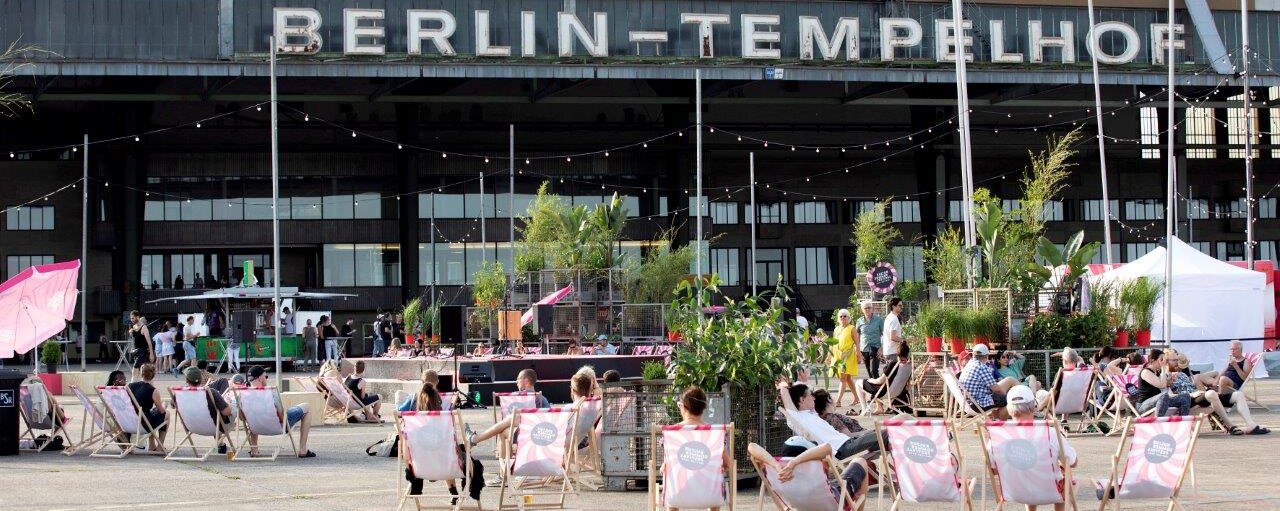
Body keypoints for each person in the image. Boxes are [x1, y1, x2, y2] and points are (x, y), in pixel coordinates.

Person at [655, 386, 735, 511]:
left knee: (670, 476)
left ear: (683, 407)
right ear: (703, 408)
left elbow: (668, 462)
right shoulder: (714, 434)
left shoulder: (672, 433)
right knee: (715, 478)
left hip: (678, 495)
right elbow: (728, 464)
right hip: (710, 496)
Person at [468, 369, 595, 447]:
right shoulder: (591, 408)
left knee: (507, 426)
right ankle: (476, 439)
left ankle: (503, 474)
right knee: (512, 421)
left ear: (573, 390)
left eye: (518, 379)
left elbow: (552, 423)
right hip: (562, 439)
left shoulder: (571, 408)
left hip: (548, 439)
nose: (516, 381)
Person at [1005, 384, 1076, 511]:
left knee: (1025, 469)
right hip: (1050, 491)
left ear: (1009, 410)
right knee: (1066, 471)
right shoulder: (1050, 433)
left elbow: (993, 469)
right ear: (1033, 407)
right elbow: (1072, 462)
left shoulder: (999, 435)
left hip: (1014, 492)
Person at [776, 380, 887, 460]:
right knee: (888, 433)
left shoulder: (811, 413)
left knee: (889, 437)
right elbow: (784, 392)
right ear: (802, 400)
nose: (814, 398)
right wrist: (783, 384)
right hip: (843, 449)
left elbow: (801, 385)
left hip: (849, 443)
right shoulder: (798, 417)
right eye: (810, 395)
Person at [747, 441, 872, 511]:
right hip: (832, 501)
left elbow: (751, 446)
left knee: (836, 482)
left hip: (796, 504)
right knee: (860, 461)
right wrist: (795, 462)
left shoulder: (775, 470)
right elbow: (827, 447)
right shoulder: (815, 466)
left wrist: (776, 465)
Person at [244, 365, 316, 458]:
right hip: (277, 426)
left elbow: (243, 417)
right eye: (266, 376)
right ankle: (303, 449)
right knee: (307, 407)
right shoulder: (271, 392)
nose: (266, 379)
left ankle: (254, 449)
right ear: (260, 378)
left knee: (254, 416)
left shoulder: (244, 394)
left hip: (255, 426)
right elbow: (282, 417)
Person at [183, 367, 234, 454]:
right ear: (201, 379)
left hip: (191, 426)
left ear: (186, 380)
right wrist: (228, 402)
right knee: (227, 409)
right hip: (213, 426)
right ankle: (221, 444)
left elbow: (172, 405)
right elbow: (227, 412)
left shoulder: (180, 393)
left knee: (213, 412)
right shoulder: (211, 392)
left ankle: (221, 444)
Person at [959, 344, 1017, 420]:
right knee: (1010, 399)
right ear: (987, 356)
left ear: (973, 354)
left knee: (1009, 380)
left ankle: (996, 418)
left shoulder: (970, 364)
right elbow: (997, 390)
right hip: (979, 403)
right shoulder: (981, 367)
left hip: (969, 402)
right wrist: (1008, 394)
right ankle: (1000, 421)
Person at [854, 343, 912, 414]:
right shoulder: (909, 366)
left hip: (884, 392)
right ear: (907, 354)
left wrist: (871, 380)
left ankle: (864, 409)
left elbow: (880, 381)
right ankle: (879, 408)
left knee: (858, 383)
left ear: (897, 354)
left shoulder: (893, 364)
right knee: (874, 384)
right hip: (898, 392)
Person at [127, 364, 168, 451]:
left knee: (151, 414)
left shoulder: (130, 386)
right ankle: (160, 446)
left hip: (129, 421)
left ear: (141, 374)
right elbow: (161, 411)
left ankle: (152, 445)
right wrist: (164, 405)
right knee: (166, 414)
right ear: (153, 376)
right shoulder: (153, 390)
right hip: (143, 424)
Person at [831, 308, 859, 408]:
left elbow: (857, 342)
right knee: (848, 379)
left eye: (845, 316)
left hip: (848, 356)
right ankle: (857, 397)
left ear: (849, 318)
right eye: (841, 316)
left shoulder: (852, 328)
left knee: (843, 378)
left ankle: (838, 401)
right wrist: (830, 356)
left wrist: (859, 354)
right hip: (837, 355)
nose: (843, 318)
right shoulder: (836, 329)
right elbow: (833, 342)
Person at [1134, 349, 1170, 415]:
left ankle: (1183, 420)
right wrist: (1163, 367)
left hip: (1158, 401)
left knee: (1184, 396)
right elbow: (1162, 385)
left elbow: (1166, 384)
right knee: (1164, 395)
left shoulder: (1157, 372)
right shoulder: (1145, 372)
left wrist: (1170, 379)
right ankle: (1158, 420)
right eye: (1161, 359)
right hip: (1142, 405)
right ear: (1153, 360)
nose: (1163, 361)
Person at [855, 300, 884, 378]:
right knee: (869, 372)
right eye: (865, 308)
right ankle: (873, 385)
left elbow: (884, 334)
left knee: (874, 370)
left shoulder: (879, 320)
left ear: (872, 309)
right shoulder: (859, 321)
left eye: (869, 307)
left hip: (876, 348)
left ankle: (878, 385)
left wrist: (882, 348)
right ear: (862, 310)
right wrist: (857, 350)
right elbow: (857, 336)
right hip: (864, 349)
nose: (867, 309)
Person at [129, 311, 154, 382]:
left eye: (133, 318)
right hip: (137, 351)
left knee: (135, 369)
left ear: (137, 317)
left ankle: (132, 384)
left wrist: (151, 354)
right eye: (131, 318)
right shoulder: (134, 327)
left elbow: (149, 342)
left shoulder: (144, 327)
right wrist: (131, 333)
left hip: (143, 351)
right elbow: (135, 339)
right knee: (144, 372)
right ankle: (149, 384)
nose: (131, 320)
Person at [881, 298, 905, 365]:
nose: (902, 307)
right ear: (893, 306)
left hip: (889, 351)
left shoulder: (889, 317)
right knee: (892, 371)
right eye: (899, 305)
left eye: (902, 305)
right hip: (892, 352)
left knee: (890, 371)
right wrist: (905, 340)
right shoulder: (894, 319)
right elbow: (893, 337)